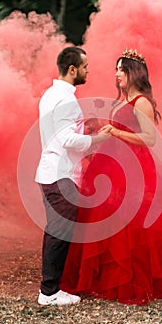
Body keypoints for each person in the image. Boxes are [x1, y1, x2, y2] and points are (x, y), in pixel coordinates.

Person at [60, 48, 162, 305]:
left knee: (132, 220)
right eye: (116, 70)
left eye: (121, 70)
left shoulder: (142, 102)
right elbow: (119, 129)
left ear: (133, 73)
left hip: (134, 167)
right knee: (105, 215)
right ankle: (106, 278)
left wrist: (116, 132)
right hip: (113, 164)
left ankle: (137, 279)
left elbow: (149, 139)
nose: (116, 75)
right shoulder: (124, 101)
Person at [35, 46, 110, 306]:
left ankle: (53, 288)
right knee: (59, 232)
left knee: (58, 231)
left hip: (51, 171)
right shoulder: (66, 98)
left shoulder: (50, 94)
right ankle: (49, 292)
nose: (89, 70)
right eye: (86, 66)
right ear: (72, 69)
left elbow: (61, 133)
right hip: (61, 175)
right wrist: (98, 139)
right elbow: (66, 139)